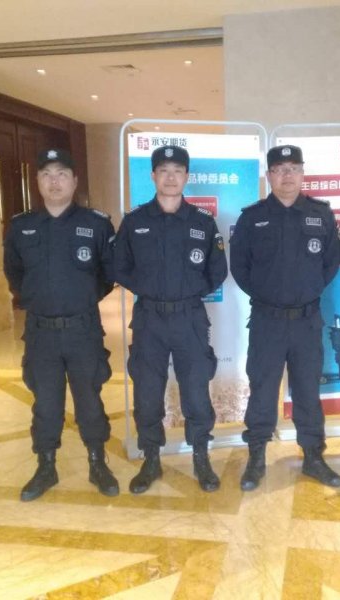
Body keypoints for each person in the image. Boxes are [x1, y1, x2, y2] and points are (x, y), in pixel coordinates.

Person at [4, 148, 119, 501]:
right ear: (37, 181)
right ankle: (46, 466)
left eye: (62, 174)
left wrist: (79, 301)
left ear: (74, 181)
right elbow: (14, 274)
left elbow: (107, 275)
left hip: (83, 330)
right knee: (46, 403)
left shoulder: (96, 224)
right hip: (41, 333)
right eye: (47, 175)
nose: (54, 182)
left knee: (89, 400)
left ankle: (97, 463)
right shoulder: (21, 227)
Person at [113, 145, 227, 494]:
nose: (171, 177)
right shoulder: (135, 222)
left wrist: (189, 293)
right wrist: (149, 290)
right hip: (149, 319)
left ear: (187, 176)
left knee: (196, 390)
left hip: (189, 318)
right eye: (163, 170)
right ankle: (151, 458)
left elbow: (217, 270)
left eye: (177, 171)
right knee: (147, 392)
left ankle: (201, 457)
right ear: (153, 176)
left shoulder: (202, 222)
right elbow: (119, 266)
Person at [230, 144, 340, 491]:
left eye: (293, 168)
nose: (287, 175)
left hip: (307, 321)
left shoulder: (321, 215)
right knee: (262, 389)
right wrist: (269, 296)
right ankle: (256, 457)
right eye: (279, 169)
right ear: (269, 176)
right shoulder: (252, 218)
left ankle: (313, 456)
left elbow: (330, 263)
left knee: (308, 390)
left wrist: (306, 292)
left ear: (303, 173)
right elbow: (240, 268)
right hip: (268, 321)